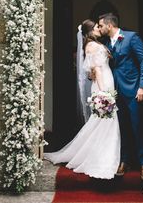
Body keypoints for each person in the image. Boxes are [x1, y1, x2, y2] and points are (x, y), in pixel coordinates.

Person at [44, 19, 121, 179]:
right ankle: (101, 158)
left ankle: (100, 153)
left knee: (101, 122)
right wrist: (103, 93)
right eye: (96, 27)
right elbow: (97, 70)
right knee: (104, 121)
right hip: (102, 85)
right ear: (89, 31)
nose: (99, 29)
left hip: (105, 82)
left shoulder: (95, 43)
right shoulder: (92, 45)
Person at [98, 13, 143, 181]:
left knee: (137, 126)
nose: (100, 29)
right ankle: (124, 160)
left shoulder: (131, 37)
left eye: (101, 25)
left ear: (109, 25)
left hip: (133, 89)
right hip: (114, 92)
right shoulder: (106, 43)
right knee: (120, 128)